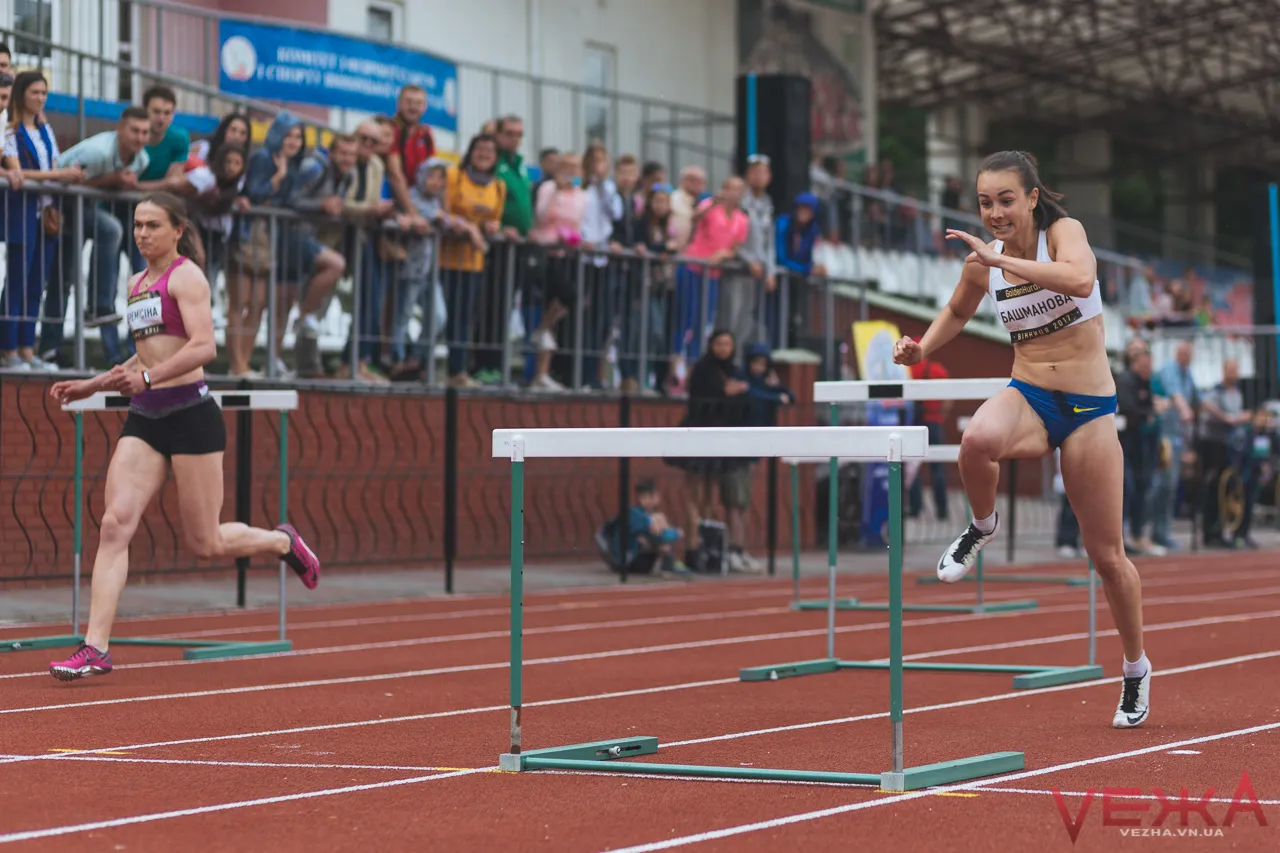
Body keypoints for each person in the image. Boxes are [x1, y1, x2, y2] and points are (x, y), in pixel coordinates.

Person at [892, 150, 1149, 729]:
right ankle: (983, 525)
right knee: (975, 440)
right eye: (986, 203)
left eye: (1006, 200)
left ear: (1032, 197)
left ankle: (1135, 670)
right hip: (1030, 394)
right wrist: (921, 349)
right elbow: (958, 309)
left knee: (1107, 557)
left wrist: (999, 260)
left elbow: (1080, 278)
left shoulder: (1064, 232)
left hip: (1088, 408)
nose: (996, 213)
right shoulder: (985, 260)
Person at [45, 192, 321, 682]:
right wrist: (92, 385)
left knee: (206, 542)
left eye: (152, 225)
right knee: (115, 524)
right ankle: (96, 647)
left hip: (191, 416)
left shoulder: (187, 276)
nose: (142, 234)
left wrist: (149, 379)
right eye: (137, 225)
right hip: (145, 420)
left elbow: (204, 346)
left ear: (177, 230)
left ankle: (282, 543)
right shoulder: (135, 283)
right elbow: (144, 356)